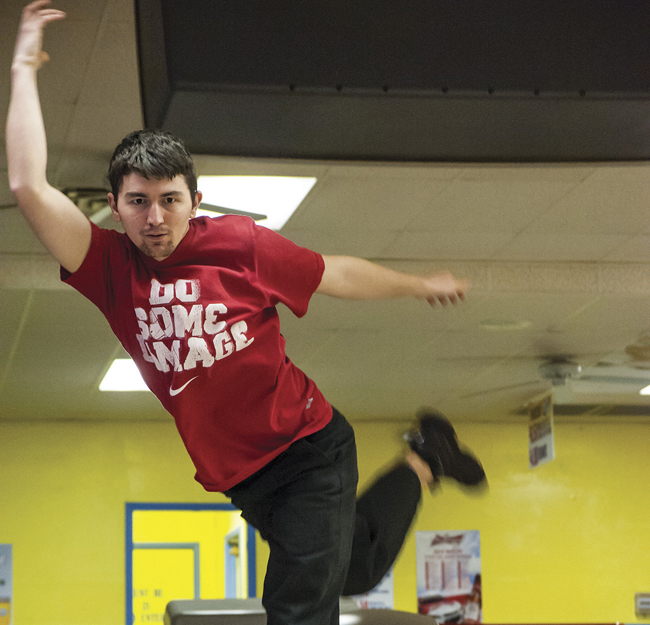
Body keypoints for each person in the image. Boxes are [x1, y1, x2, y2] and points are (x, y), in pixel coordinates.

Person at [7, 3, 486, 624]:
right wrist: (22, 68)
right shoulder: (106, 266)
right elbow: (27, 186)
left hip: (307, 448)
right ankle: (426, 458)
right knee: (356, 571)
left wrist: (415, 283)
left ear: (194, 200)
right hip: (245, 477)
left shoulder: (239, 245)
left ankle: (424, 459)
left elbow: (333, 271)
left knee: (297, 608)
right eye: (138, 202)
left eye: (169, 201)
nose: (155, 218)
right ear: (114, 206)